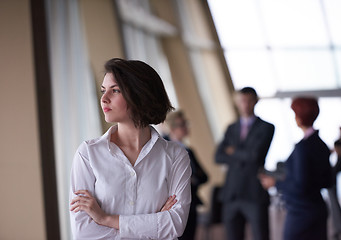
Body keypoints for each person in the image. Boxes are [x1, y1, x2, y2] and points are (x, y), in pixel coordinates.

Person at [69, 58, 192, 239]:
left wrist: (106, 218)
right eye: (104, 91)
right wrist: (154, 223)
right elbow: (84, 233)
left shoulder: (175, 156)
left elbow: (175, 224)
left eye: (115, 90)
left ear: (140, 94)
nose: (104, 98)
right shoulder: (88, 154)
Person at [259, 96, 332, 240]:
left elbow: (300, 185)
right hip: (318, 207)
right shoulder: (321, 145)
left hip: (301, 211)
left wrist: (275, 183)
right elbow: (328, 181)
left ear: (298, 117)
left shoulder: (302, 147)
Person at [215, 87, 275, 240]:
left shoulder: (267, 127)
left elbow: (256, 156)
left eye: (249, 101)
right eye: (242, 101)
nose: (245, 105)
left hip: (254, 192)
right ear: (237, 103)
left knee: (261, 236)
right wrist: (243, 154)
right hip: (231, 194)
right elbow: (218, 156)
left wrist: (233, 151)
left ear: (255, 101)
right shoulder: (231, 128)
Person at [164, 110, 208, 240]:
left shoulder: (189, 150)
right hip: (171, 205)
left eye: (186, 123)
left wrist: (191, 179)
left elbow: (204, 177)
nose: (186, 127)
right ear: (172, 128)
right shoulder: (163, 147)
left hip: (191, 204)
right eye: (182, 124)